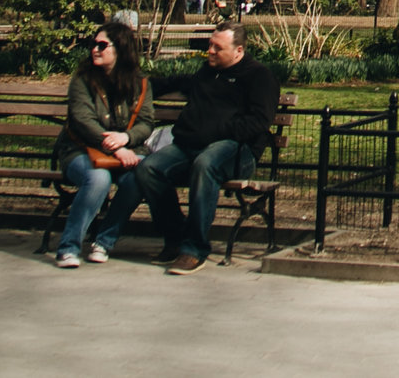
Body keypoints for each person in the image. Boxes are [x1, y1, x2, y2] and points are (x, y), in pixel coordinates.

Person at [101, 22, 278, 274]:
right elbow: (179, 82)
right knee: (148, 169)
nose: (211, 52)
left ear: (238, 51)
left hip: (238, 150)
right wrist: (137, 86)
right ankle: (175, 237)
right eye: (210, 45)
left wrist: (214, 131)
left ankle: (193, 249)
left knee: (205, 164)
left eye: (218, 48)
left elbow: (259, 122)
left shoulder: (259, 77)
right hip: (190, 145)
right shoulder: (208, 72)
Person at [53, 20, 151, 267]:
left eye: (101, 45)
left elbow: (146, 121)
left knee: (139, 178)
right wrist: (117, 147)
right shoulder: (82, 80)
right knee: (98, 179)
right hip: (80, 151)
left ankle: (103, 242)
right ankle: (68, 247)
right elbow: (82, 120)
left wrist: (127, 138)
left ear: (120, 50)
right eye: (93, 44)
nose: (95, 49)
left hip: (126, 152)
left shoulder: (139, 83)